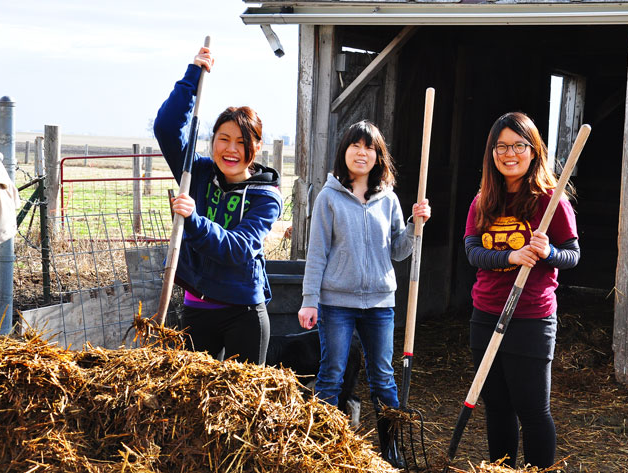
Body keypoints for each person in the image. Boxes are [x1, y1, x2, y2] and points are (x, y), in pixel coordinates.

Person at [297, 120, 431, 468]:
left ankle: (391, 450)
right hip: (336, 303)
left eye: (369, 147)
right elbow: (317, 253)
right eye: (355, 145)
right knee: (332, 374)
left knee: (383, 378)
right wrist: (309, 300)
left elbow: (399, 251)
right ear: (344, 151)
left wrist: (415, 225)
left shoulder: (389, 199)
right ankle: (323, 449)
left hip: (380, 303)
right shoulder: (329, 197)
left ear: (377, 156)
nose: (361, 152)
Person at [464, 112, 580, 468]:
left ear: (533, 151)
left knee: (532, 410)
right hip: (486, 314)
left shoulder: (551, 201)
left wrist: (548, 252)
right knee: (497, 407)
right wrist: (511, 256)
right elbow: (472, 251)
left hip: (531, 318)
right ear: (492, 153)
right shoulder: (483, 200)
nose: (509, 153)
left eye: (518, 145)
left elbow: (572, 255)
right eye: (501, 147)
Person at [154, 46, 282, 365]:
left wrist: (193, 220)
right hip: (197, 309)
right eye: (224, 139)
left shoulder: (266, 197)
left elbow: (239, 248)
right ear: (212, 140)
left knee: (242, 395)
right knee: (194, 393)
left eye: (242, 142)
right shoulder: (196, 173)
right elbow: (167, 129)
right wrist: (192, 77)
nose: (231, 149)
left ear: (257, 147)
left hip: (243, 312)